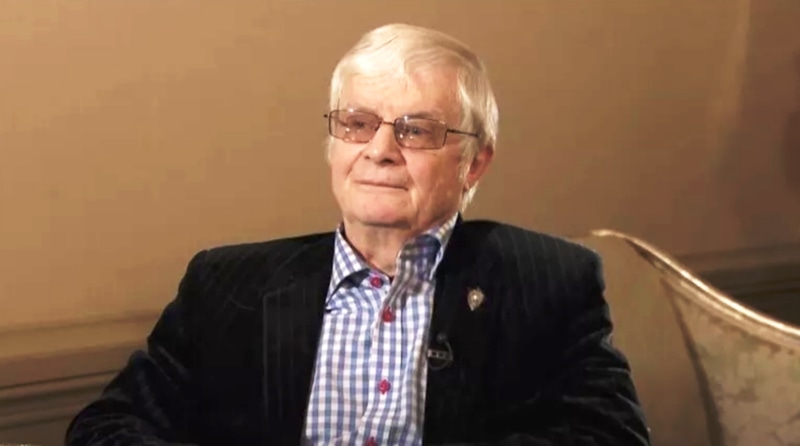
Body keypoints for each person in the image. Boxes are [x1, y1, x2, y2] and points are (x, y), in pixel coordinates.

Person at [66, 23, 650, 445]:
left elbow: (611, 436)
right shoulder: (225, 284)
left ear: (474, 163)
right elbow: (108, 426)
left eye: (416, 130)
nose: (379, 150)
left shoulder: (548, 281)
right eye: (357, 123)